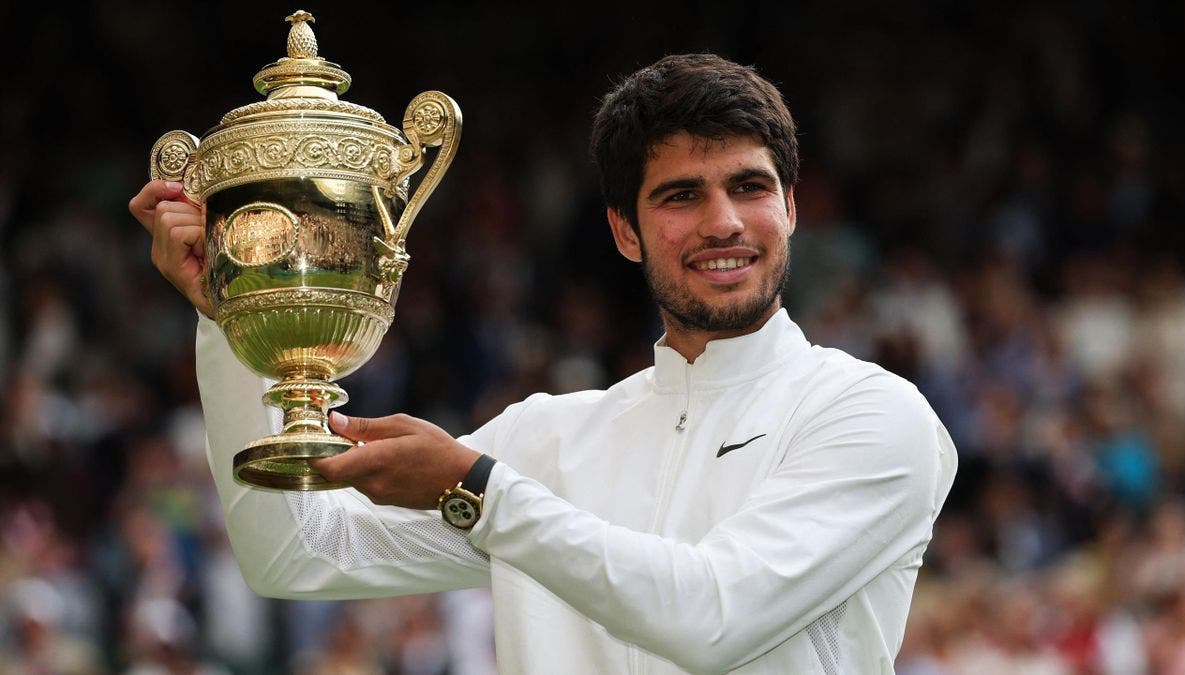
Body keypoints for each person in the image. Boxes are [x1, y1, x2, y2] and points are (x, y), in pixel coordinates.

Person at [130, 53, 957, 674]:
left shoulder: (872, 414)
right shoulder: (549, 436)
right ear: (624, 232)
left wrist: (478, 490)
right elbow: (295, 555)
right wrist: (230, 318)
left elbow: (715, 615)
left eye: (750, 187)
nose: (724, 222)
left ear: (791, 208)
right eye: (681, 195)